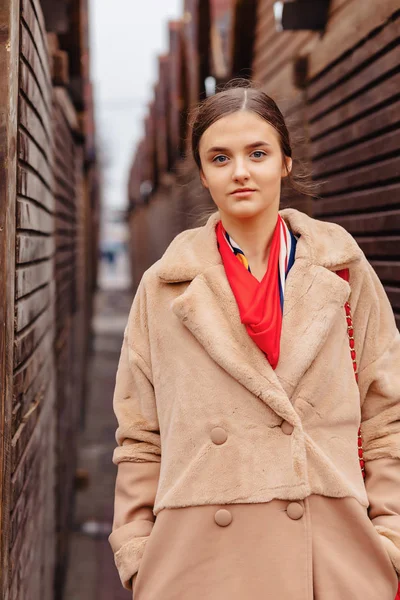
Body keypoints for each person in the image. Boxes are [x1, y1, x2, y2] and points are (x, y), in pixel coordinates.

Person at [108, 82, 400, 599]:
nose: (240, 171)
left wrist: (390, 542)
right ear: (202, 173)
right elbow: (139, 436)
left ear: (285, 162)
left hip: (332, 561)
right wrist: (138, 554)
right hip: (198, 565)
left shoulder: (344, 272)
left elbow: (388, 417)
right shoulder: (163, 287)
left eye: (257, 153)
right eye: (220, 157)